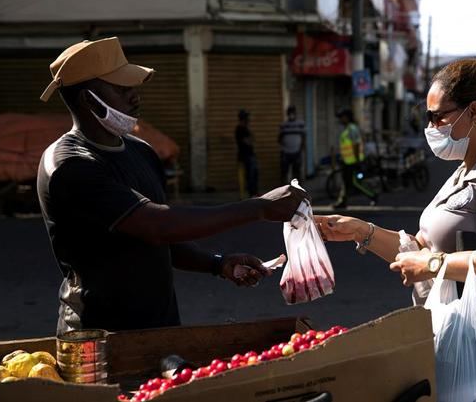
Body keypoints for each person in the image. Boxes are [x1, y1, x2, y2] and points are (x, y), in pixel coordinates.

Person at [37, 37, 307, 334]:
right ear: (89, 99)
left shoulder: (141, 151)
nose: (135, 97)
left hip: (160, 327)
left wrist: (218, 264)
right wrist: (260, 208)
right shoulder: (69, 166)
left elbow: (162, 241)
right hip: (98, 334)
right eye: (123, 89)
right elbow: (157, 225)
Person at [317, 58, 476, 301]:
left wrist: (435, 264)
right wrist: (360, 231)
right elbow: (421, 249)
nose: (430, 127)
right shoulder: (464, 171)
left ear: (474, 111)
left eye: (437, 117)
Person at [333, 108, 378, 208]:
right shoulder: (347, 128)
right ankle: (342, 201)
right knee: (346, 182)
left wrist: (357, 161)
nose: (340, 120)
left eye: (342, 117)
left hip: (353, 162)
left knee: (355, 183)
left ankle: (373, 195)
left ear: (347, 117)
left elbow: (356, 145)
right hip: (347, 161)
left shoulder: (352, 129)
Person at [278, 105, 306, 184]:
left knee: (297, 173)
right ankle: (284, 191)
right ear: (287, 114)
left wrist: (301, 149)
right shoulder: (283, 125)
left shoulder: (300, 124)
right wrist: (284, 147)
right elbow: (279, 139)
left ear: (295, 113)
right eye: (289, 113)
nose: (291, 115)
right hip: (285, 153)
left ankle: (298, 191)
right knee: (284, 173)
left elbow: (303, 137)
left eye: (292, 113)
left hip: (297, 152)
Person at [235, 109, 259, 198]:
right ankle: (251, 194)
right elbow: (248, 141)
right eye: (247, 117)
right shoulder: (239, 129)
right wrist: (250, 139)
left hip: (249, 155)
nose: (249, 119)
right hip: (245, 156)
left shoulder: (245, 128)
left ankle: (253, 193)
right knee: (250, 176)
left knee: (254, 175)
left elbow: (252, 140)